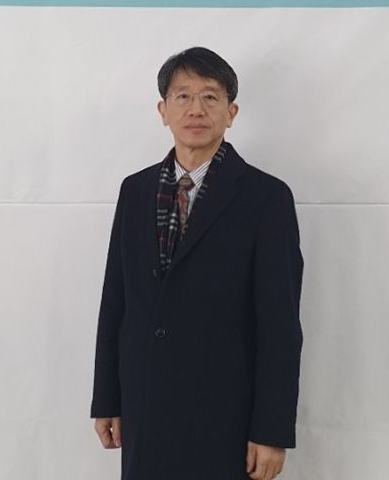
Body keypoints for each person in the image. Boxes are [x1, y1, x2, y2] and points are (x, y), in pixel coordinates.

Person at [90, 47, 304, 480]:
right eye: (183, 96)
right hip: (145, 404)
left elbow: (280, 325)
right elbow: (116, 300)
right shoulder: (136, 190)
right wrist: (107, 398)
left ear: (231, 112)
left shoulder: (266, 198)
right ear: (163, 110)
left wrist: (272, 429)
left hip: (226, 413)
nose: (196, 109)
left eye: (210, 97)